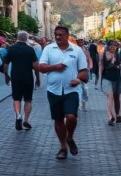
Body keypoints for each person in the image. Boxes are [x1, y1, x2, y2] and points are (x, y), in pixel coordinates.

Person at [38, 26, 88, 160]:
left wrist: (78, 79)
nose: (58, 37)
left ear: (67, 35)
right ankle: (63, 147)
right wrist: (55, 67)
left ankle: (70, 137)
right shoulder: (49, 49)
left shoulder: (76, 50)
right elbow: (41, 67)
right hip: (53, 90)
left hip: (71, 90)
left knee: (71, 116)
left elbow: (84, 70)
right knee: (58, 119)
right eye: (56, 35)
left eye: (61, 35)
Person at [3, 31, 40, 131]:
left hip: (15, 77)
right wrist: (38, 79)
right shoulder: (30, 50)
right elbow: (36, 66)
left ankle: (18, 116)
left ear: (17, 38)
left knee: (16, 98)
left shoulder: (11, 49)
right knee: (28, 99)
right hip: (28, 77)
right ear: (26, 38)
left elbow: (5, 65)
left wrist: (6, 76)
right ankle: (26, 120)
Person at [100, 41, 121, 125]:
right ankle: (110, 116)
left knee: (117, 97)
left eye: (115, 46)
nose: (113, 47)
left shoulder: (118, 54)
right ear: (108, 46)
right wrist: (100, 77)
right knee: (110, 96)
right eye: (111, 46)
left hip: (116, 77)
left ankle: (118, 114)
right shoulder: (103, 54)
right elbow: (101, 65)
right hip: (107, 77)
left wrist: (118, 66)